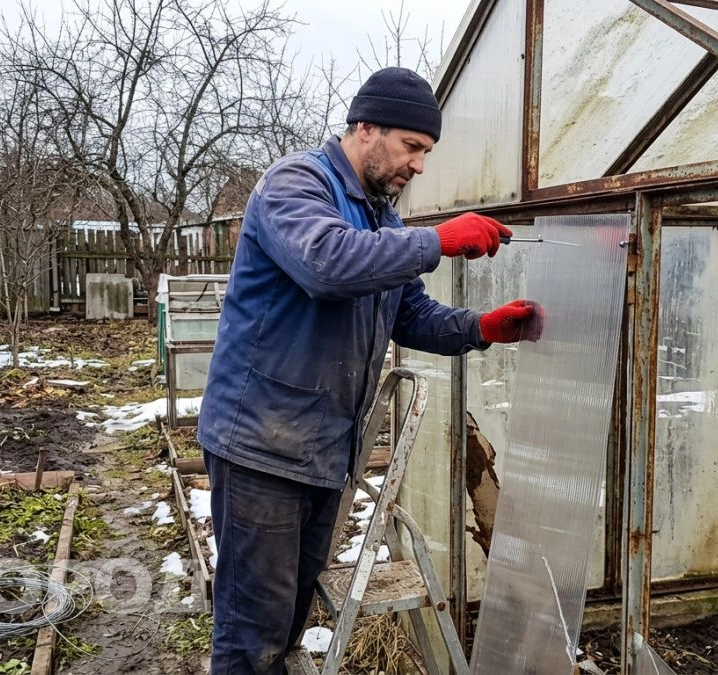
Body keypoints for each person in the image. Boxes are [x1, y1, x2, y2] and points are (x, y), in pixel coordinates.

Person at [197, 66, 542, 674]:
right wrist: (439, 239)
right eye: (413, 147)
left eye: (427, 152)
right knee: (251, 635)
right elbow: (327, 265)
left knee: (287, 621)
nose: (419, 165)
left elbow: (408, 312)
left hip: (323, 449)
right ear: (366, 127)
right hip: (260, 449)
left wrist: (481, 328)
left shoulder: (380, 217)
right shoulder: (295, 184)